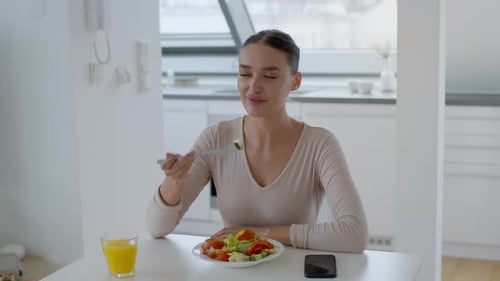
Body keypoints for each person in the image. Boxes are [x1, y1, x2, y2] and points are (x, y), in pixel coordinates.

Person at [146, 29, 368, 253]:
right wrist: (175, 182)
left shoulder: (319, 144)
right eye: (245, 74)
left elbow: (354, 234)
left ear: (295, 81)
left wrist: (261, 233)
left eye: (269, 76)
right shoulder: (216, 139)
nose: (253, 87)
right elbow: (156, 228)